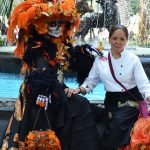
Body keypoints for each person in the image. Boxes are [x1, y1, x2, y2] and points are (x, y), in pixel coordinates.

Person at [1, 0, 102, 149]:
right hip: (36, 91)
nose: (59, 27)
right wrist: (42, 90)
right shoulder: (36, 45)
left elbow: (73, 62)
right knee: (45, 111)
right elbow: (38, 72)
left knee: (81, 105)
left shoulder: (61, 44)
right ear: (41, 25)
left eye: (60, 23)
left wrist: (85, 55)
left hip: (58, 89)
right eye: (53, 23)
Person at [65, 25, 150, 150]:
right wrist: (78, 90)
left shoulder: (134, 59)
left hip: (130, 102)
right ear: (109, 39)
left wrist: (148, 96)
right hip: (111, 101)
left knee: (118, 121)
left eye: (122, 39)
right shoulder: (101, 60)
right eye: (115, 38)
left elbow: (143, 84)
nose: (118, 42)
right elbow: (91, 81)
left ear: (126, 40)